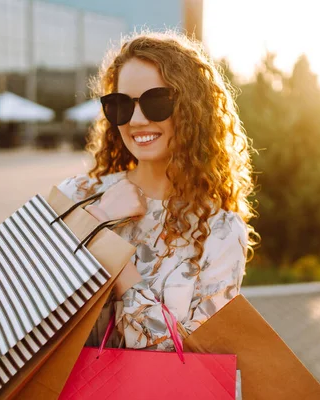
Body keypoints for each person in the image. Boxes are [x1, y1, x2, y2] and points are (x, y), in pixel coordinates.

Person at [57, 31, 259, 351]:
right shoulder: (78, 196)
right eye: (121, 104)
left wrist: (109, 251)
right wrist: (99, 217)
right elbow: (29, 302)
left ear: (193, 109)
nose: (136, 119)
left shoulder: (220, 231)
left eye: (156, 101)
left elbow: (187, 357)